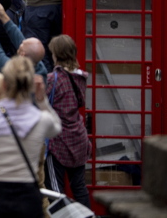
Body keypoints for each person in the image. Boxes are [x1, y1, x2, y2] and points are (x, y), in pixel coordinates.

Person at [0, 57, 61, 218]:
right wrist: (41, 100)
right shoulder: (42, 120)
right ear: (31, 85)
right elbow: (57, 128)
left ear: (3, 84)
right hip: (28, 199)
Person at [45, 35, 91, 208]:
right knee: (79, 187)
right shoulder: (80, 77)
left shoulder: (52, 79)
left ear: (56, 54)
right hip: (78, 137)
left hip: (58, 141)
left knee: (55, 191)